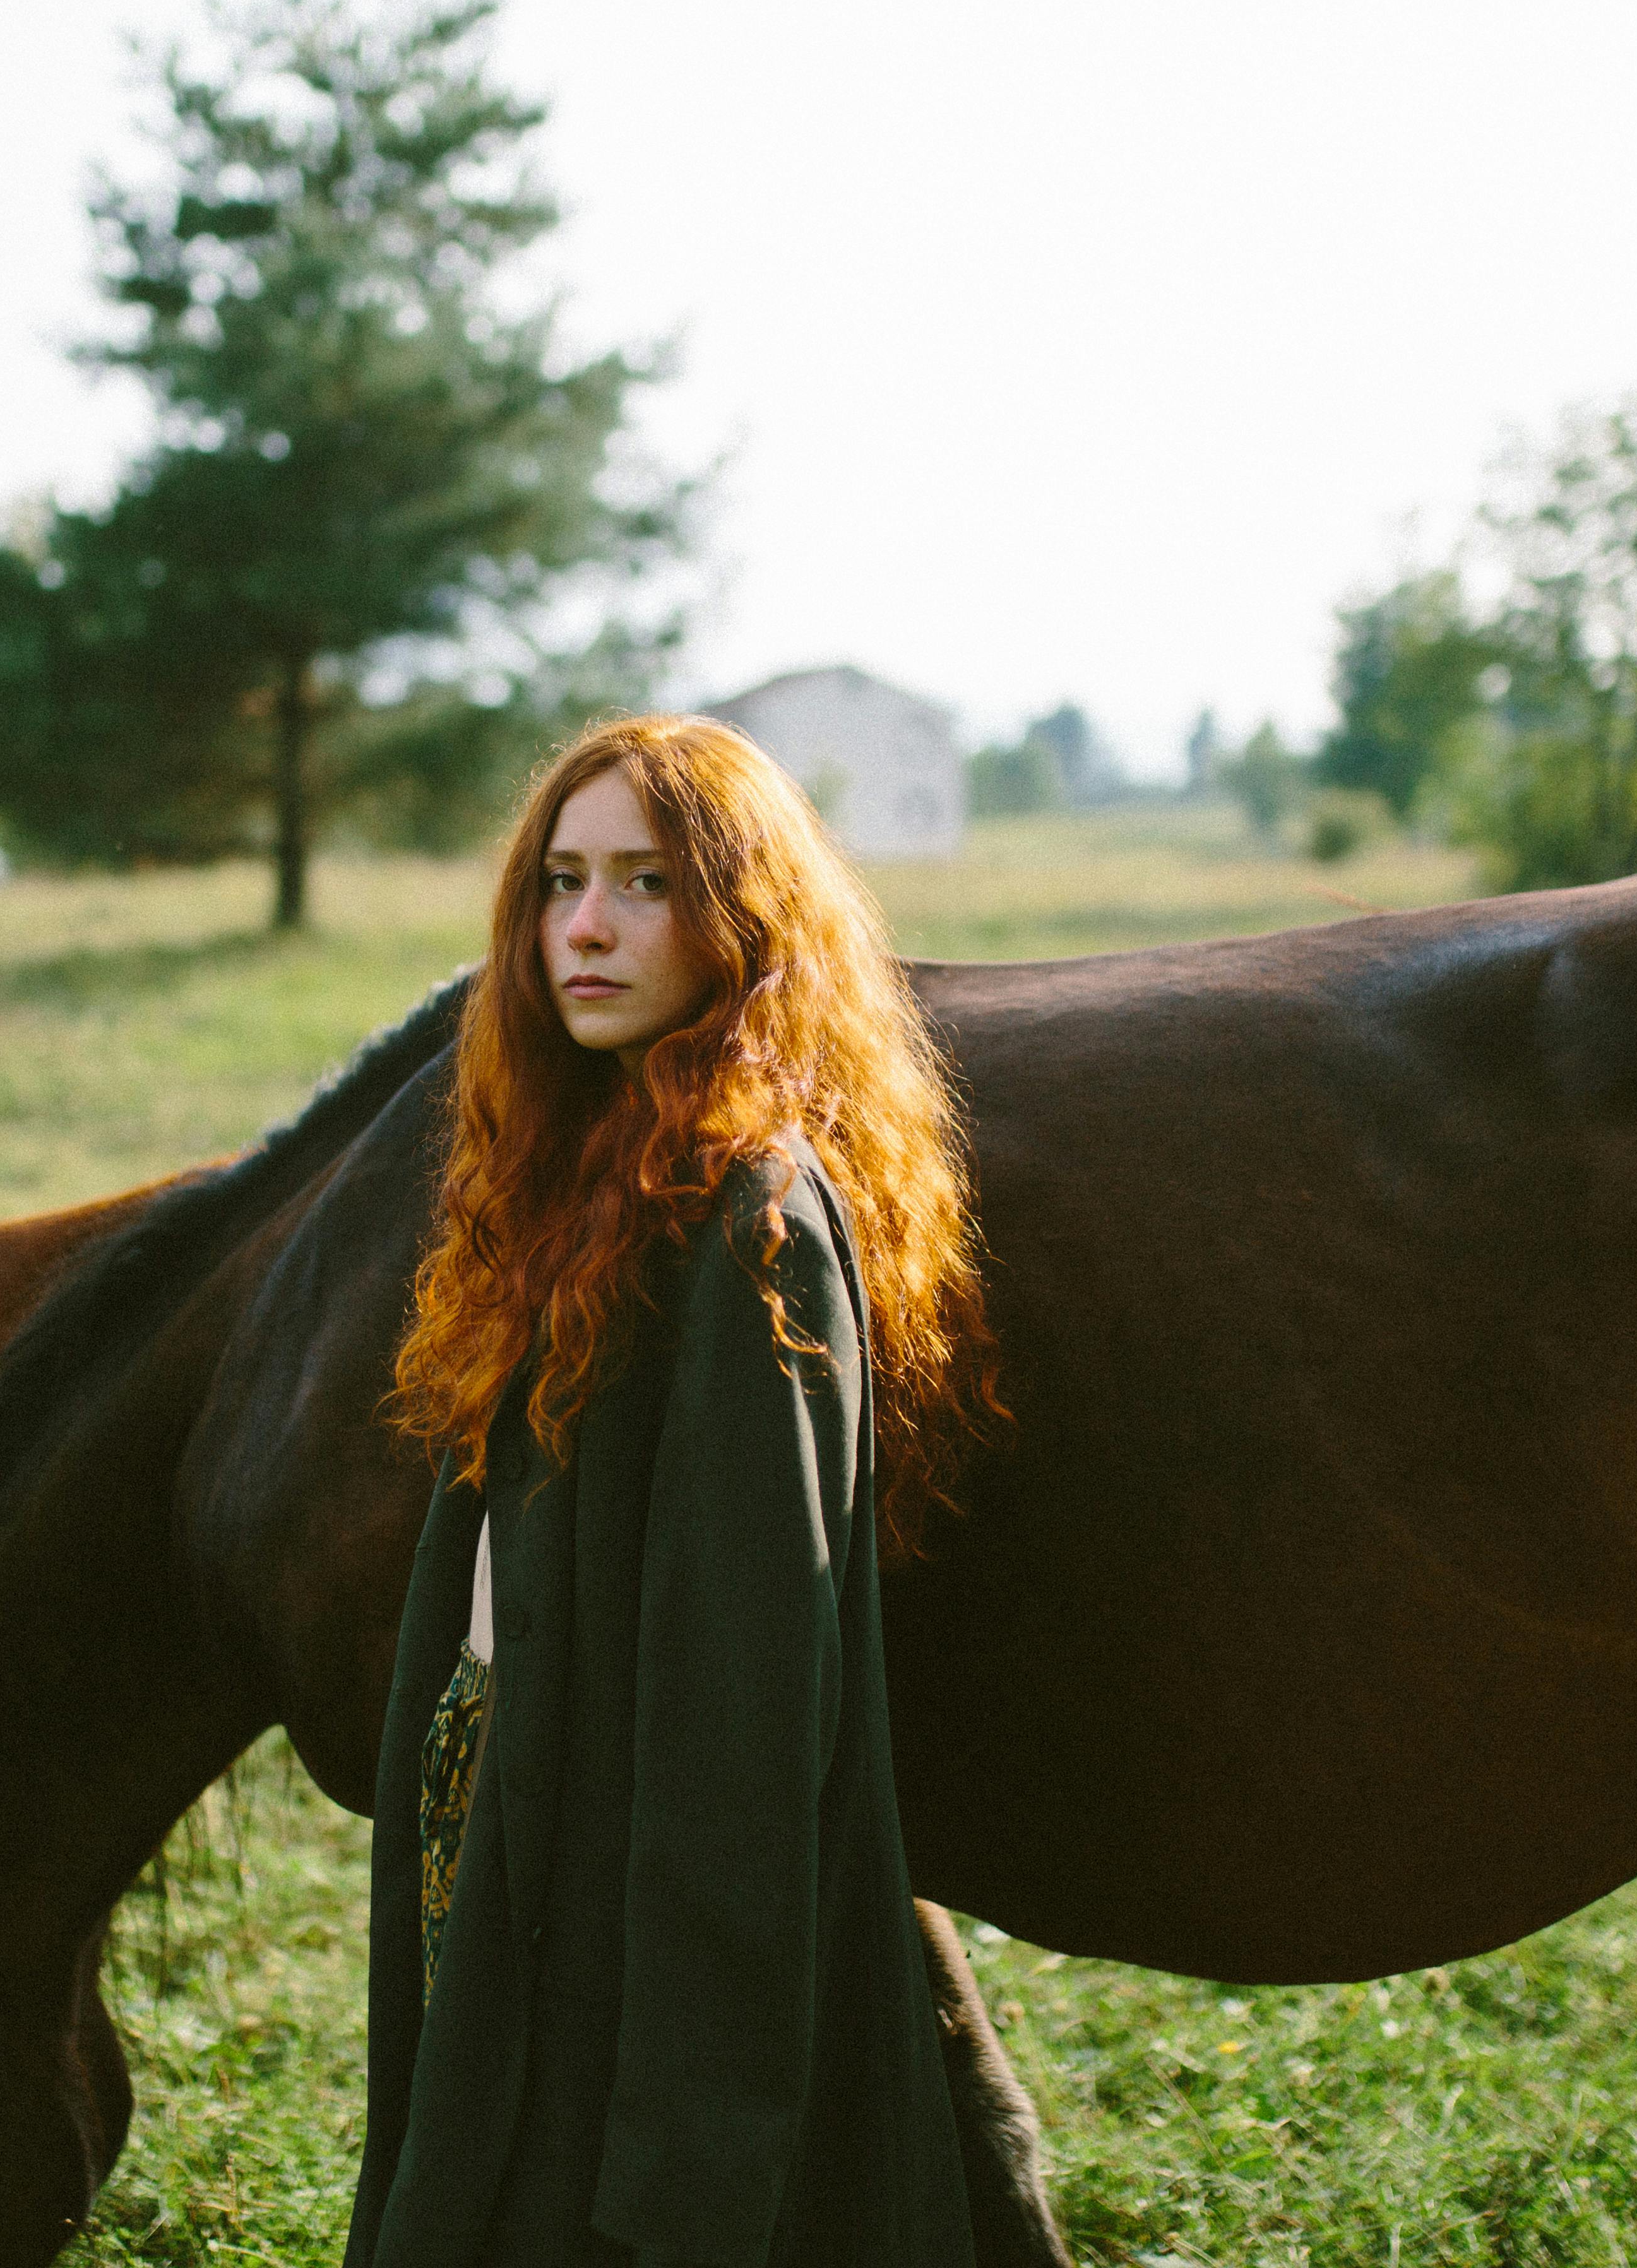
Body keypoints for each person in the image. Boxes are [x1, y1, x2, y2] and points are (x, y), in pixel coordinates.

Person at [345, 714, 1002, 2268]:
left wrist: (688, 2151)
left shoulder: (753, 1219)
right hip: (506, 1795)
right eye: (562, 881)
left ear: (746, 921)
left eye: (646, 883)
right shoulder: (569, 1171)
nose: (586, 925)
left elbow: (745, 1715)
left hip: (629, 1865)